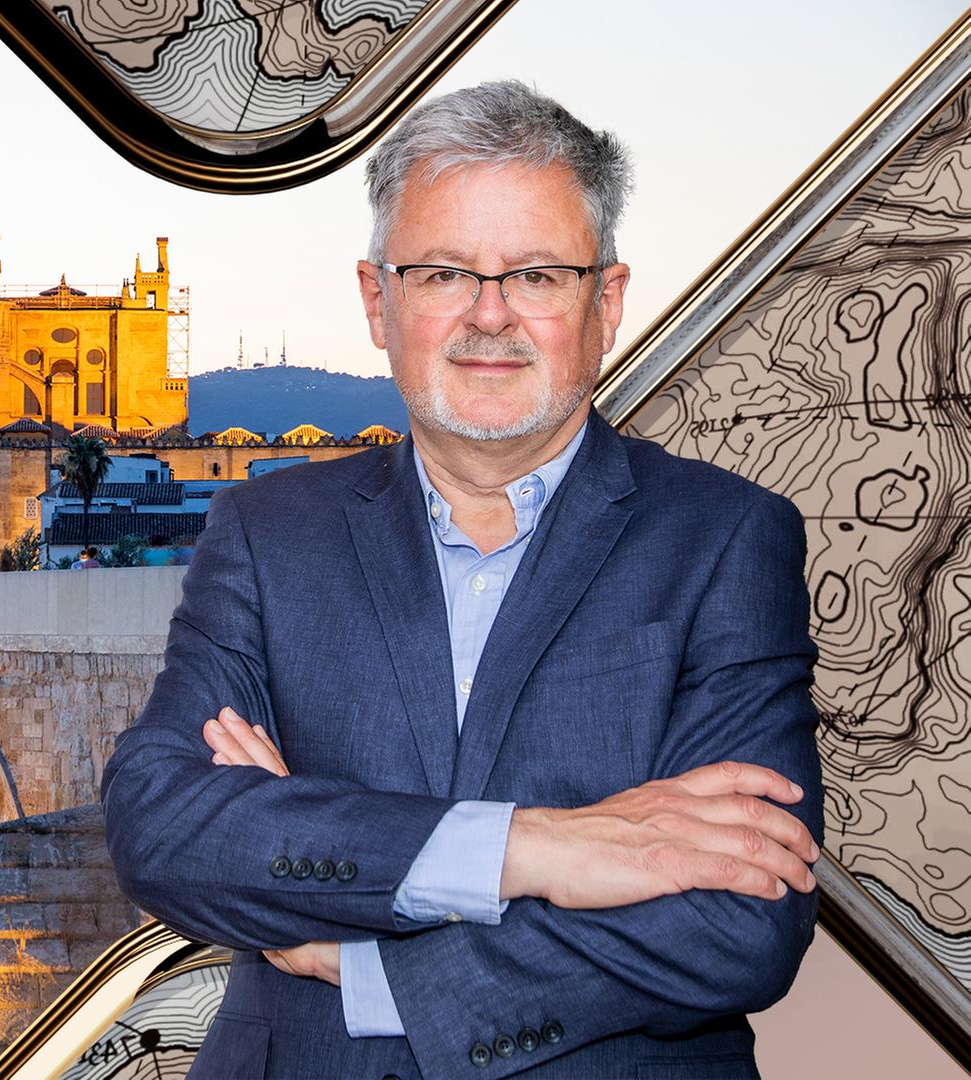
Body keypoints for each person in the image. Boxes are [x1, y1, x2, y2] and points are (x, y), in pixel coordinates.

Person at [100, 82, 821, 1079]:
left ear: (604, 303)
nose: (489, 316)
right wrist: (534, 848)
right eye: (443, 273)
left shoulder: (726, 539)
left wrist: (367, 966)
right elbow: (165, 829)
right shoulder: (268, 531)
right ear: (376, 301)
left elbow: (740, 919)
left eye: (535, 274)